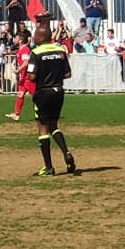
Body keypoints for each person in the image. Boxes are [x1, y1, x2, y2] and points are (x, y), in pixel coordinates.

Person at [26, 14, 76, 177]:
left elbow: (32, 76)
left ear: (40, 37)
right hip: (58, 91)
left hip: (43, 92)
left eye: (35, 35)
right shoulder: (60, 50)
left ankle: (48, 167)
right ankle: (66, 153)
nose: (33, 37)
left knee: (42, 128)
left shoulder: (36, 52)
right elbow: (67, 74)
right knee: (54, 125)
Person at [5, 33, 35, 122]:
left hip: (28, 78)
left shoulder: (24, 49)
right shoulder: (21, 49)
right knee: (20, 95)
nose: (14, 39)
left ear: (20, 40)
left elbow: (26, 62)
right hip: (23, 78)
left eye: (16, 38)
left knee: (37, 97)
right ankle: (16, 114)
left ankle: (47, 112)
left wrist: (18, 70)